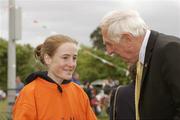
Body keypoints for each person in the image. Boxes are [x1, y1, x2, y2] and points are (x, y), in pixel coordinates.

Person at [99, 9, 180, 119]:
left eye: (109, 44)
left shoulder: (170, 50)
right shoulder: (144, 58)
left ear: (127, 38)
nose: (109, 51)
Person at [13, 34, 97, 120]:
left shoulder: (79, 92)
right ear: (48, 58)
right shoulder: (30, 93)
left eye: (74, 58)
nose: (71, 64)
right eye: (65, 57)